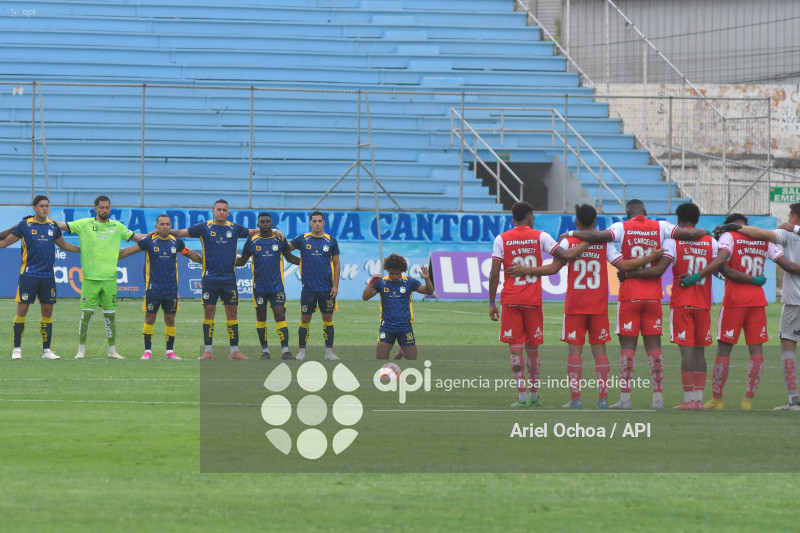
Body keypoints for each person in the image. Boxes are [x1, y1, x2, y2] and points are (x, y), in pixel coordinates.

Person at [567, 199, 706, 410]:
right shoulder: (661, 226)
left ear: (627, 213)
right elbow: (691, 234)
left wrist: (571, 234)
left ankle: (625, 399)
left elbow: (598, 235)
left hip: (630, 295)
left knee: (627, 348)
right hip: (653, 297)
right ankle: (658, 398)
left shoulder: (621, 227)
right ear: (646, 212)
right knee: (654, 349)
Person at [690, 213, 800, 409]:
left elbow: (723, 265)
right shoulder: (762, 240)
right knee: (756, 351)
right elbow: (786, 264)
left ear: (728, 225)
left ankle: (717, 399)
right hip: (757, 301)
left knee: (724, 349)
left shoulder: (728, 236)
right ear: (746, 225)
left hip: (734, 300)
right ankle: (748, 401)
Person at [488, 201, 591, 408]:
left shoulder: (501, 239)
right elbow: (565, 256)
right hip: (532, 300)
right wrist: (589, 240)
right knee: (533, 351)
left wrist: (492, 302)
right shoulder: (541, 236)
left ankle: (521, 396)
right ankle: (534, 396)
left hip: (510, 300)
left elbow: (494, 273)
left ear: (512, 219)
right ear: (531, 218)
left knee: (515, 350)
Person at [621, 203, 716, 409]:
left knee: (687, 353)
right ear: (697, 220)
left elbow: (659, 270)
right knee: (700, 353)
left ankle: (688, 400)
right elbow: (719, 267)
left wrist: (629, 274)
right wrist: (700, 275)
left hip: (682, 302)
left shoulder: (673, 241)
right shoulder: (710, 241)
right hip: (704, 302)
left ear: (679, 220)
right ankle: (699, 400)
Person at [169, 199, 262, 360]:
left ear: (228, 213)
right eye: (218, 209)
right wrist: (161, 231)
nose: (221, 212)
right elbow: (180, 233)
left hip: (229, 279)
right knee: (209, 312)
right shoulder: (204, 227)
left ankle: (234, 352)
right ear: (213, 211)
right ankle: (207, 351)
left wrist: (275, 230)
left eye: (224, 210)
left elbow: (255, 231)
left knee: (232, 312)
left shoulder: (234, 228)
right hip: (210, 279)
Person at [56, 195, 144, 359]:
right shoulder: (84, 224)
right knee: (86, 316)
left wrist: (156, 235)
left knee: (110, 316)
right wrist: (44, 222)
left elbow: (137, 237)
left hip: (110, 279)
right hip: (90, 279)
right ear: (95, 208)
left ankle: (112, 351)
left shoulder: (117, 226)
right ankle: (81, 350)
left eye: (107, 207)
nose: (105, 210)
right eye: (102, 207)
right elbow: (62, 226)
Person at [732, 204, 800, 410]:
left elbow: (763, 233)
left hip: (795, 301)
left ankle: (794, 400)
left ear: (795, 217)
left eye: (789, 215)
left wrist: (735, 228)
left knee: (788, 345)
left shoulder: (789, 234)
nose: (788, 218)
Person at [0, 195, 80, 360]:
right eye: (42, 206)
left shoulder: (52, 226)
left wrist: (83, 250)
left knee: (48, 311)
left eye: (47, 206)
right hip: (29, 275)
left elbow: (63, 245)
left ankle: (46, 351)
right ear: (34, 208)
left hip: (48, 276)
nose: (45, 208)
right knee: (22, 310)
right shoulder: (25, 225)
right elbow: (4, 243)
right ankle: (17, 349)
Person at [118, 214, 202, 360]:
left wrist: (204, 261)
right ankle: (147, 351)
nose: (165, 227)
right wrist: (111, 257)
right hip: (153, 289)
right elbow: (129, 251)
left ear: (170, 226)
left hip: (171, 290)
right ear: (156, 227)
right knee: (149, 319)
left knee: (170, 320)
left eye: (167, 224)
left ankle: (170, 352)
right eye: (162, 224)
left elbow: (189, 254)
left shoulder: (176, 242)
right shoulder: (149, 241)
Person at [235, 212, 300, 360]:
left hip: (276, 286)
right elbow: (242, 261)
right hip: (259, 288)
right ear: (258, 225)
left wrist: (307, 262)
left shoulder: (280, 240)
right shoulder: (252, 241)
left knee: (280, 315)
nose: (265, 224)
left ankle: (285, 351)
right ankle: (265, 351)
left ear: (272, 224)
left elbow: (289, 257)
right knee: (261, 317)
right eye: (262, 222)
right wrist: (226, 260)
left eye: (268, 221)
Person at [286, 211, 341, 361]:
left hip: (326, 288)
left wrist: (335, 285)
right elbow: (285, 250)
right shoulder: (302, 239)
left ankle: (329, 353)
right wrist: (299, 261)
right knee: (305, 318)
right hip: (308, 288)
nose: (317, 223)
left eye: (319, 221)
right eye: (314, 221)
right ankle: (301, 352)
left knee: (328, 317)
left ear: (324, 223)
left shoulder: (331, 241)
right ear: (310, 223)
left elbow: (336, 264)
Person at [362, 254, 434, 360]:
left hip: (405, 327)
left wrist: (427, 279)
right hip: (387, 328)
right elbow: (365, 297)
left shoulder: (410, 282)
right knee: (380, 360)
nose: (395, 276)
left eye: (397, 274)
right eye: (392, 273)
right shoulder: (382, 282)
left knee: (412, 361)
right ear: (387, 270)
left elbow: (429, 291)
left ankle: (401, 352)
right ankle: (399, 354)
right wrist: (371, 283)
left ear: (402, 271)